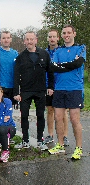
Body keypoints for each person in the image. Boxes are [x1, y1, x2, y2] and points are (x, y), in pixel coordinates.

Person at [48, 24, 86, 160]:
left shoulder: (81, 48)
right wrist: (70, 64)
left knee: (74, 119)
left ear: (74, 34)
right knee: (58, 117)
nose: (66, 35)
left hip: (74, 89)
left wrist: (63, 66)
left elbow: (78, 64)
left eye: (69, 32)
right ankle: (60, 144)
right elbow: (53, 67)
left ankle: (79, 148)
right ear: (62, 35)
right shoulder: (57, 51)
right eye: (64, 33)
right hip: (59, 89)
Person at [13, 31, 54, 150]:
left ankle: (40, 140)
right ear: (24, 41)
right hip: (25, 91)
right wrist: (16, 92)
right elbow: (16, 76)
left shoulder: (44, 54)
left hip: (40, 91)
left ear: (36, 40)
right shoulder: (20, 57)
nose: (29, 42)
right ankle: (25, 140)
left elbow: (50, 72)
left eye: (32, 39)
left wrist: (50, 87)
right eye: (27, 39)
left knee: (40, 115)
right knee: (24, 116)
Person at [44, 29, 69, 146]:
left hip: (61, 85)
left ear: (58, 38)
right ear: (48, 38)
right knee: (50, 110)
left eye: (54, 36)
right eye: (50, 37)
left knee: (62, 112)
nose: (52, 39)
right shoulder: (44, 53)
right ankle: (50, 134)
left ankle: (65, 136)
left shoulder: (63, 51)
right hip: (48, 85)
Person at [0, 31, 19, 109]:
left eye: (8, 38)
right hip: (0, 87)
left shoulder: (15, 53)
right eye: (4, 38)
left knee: (9, 110)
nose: (6, 40)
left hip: (12, 87)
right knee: (0, 110)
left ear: (11, 39)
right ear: (0, 40)